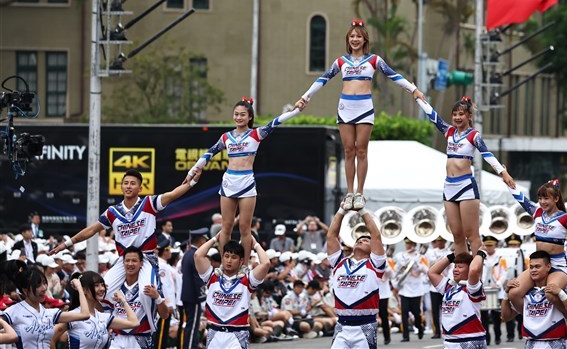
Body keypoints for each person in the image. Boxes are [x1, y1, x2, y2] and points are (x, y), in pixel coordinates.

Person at [296, 19, 426, 211]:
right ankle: (349, 193)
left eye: (358, 36)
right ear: (348, 40)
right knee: (348, 150)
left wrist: (413, 89)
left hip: (364, 108)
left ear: (365, 40)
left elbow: (394, 75)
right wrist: (305, 97)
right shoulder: (341, 61)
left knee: (361, 150)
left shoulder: (374, 60)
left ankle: (360, 193)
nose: (355, 39)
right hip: (345, 108)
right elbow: (323, 79)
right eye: (352, 36)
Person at [49, 170, 196, 325]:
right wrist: (66, 244)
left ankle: (149, 325)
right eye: (125, 183)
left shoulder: (149, 203)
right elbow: (91, 230)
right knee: (102, 290)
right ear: (121, 187)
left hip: (146, 258)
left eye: (132, 183)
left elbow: (172, 194)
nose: (128, 186)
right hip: (124, 260)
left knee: (145, 291)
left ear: (140, 188)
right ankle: (107, 321)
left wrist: (192, 182)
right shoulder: (112, 212)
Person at [187, 98, 301, 261]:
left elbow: (275, 122)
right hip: (228, 182)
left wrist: (296, 110)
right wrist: (193, 170)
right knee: (225, 227)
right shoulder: (226, 137)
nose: (238, 117)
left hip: (246, 182)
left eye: (242, 115)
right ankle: (223, 262)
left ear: (249, 117)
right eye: (236, 114)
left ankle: (245, 263)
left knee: (244, 228)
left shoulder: (256, 134)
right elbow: (210, 152)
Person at [415, 97, 516, 255]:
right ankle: (462, 273)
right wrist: (417, 95)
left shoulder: (473, 135)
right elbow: (432, 115)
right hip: (449, 186)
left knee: (472, 235)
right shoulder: (449, 132)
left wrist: (503, 173)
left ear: (469, 116)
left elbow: (487, 154)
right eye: (454, 114)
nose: (457, 117)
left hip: (466, 186)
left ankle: (477, 275)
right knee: (456, 235)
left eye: (461, 114)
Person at [193, 232, 272, 348]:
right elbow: (198, 255)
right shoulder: (212, 277)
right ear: (222, 257)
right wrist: (216, 238)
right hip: (214, 332)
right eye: (226, 256)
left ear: (241, 261)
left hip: (237, 334)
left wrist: (255, 244)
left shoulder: (247, 280)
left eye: (234, 257)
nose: (229, 260)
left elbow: (266, 264)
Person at [327, 200, 386, 349]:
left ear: (372, 247)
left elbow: (376, 236)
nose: (361, 241)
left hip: (365, 326)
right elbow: (331, 236)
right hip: (341, 325)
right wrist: (341, 211)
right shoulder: (339, 263)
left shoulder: (375, 264)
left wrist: (362, 210)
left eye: (366, 240)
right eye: (358, 240)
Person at [504, 250, 567, 348]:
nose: (533, 270)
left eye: (537, 266)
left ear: (548, 267)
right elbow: (506, 317)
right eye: (531, 267)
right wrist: (506, 293)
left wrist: (560, 293)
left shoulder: (560, 289)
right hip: (530, 343)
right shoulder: (525, 292)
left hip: (554, 343)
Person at [0, 269, 90, 348]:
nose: (44, 288)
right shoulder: (14, 311)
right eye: (38, 285)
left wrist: (79, 288)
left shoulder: (49, 313)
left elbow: (84, 315)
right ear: (25, 290)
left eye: (44, 283)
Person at [52, 271, 140, 349]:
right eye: (96, 285)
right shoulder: (73, 316)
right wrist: (79, 289)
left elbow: (134, 323)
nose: (102, 289)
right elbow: (50, 340)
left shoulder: (103, 317)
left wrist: (123, 300)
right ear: (84, 290)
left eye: (102, 285)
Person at [108, 247, 170, 349]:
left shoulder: (150, 287)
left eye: (134, 261)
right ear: (123, 263)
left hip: (141, 338)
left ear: (141, 263)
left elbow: (165, 315)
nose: (130, 264)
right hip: (117, 338)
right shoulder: (114, 286)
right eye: (127, 260)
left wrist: (157, 297)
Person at [427, 248, 487, 348]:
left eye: (460, 267)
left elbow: (474, 270)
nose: (455, 269)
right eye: (455, 266)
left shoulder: (472, 288)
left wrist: (481, 253)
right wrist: (451, 256)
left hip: (470, 340)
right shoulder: (448, 287)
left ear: (468, 269)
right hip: (449, 340)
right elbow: (432, 272)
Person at [394, 237, 428, 341]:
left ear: (414, 244)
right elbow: (396, 270)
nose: (407, 245)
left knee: (416, 313)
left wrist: (417, 264)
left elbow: (426, 270)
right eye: (407, 243)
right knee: (404, 312)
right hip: (404, 289)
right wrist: (401, 267)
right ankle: (406, 336)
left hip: (416, 290)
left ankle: (419, 327)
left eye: (410, 243)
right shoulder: (401, 255)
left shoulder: (419, 256)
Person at [179, 228, 208, 349]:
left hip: (187, 295)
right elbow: (198, 278)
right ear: (201, 240)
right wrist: (202, 296)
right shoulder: (196, 255)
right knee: (193, 326)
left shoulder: (188, 253)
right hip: (193, 296)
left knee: (191, 324)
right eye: (205, 240)